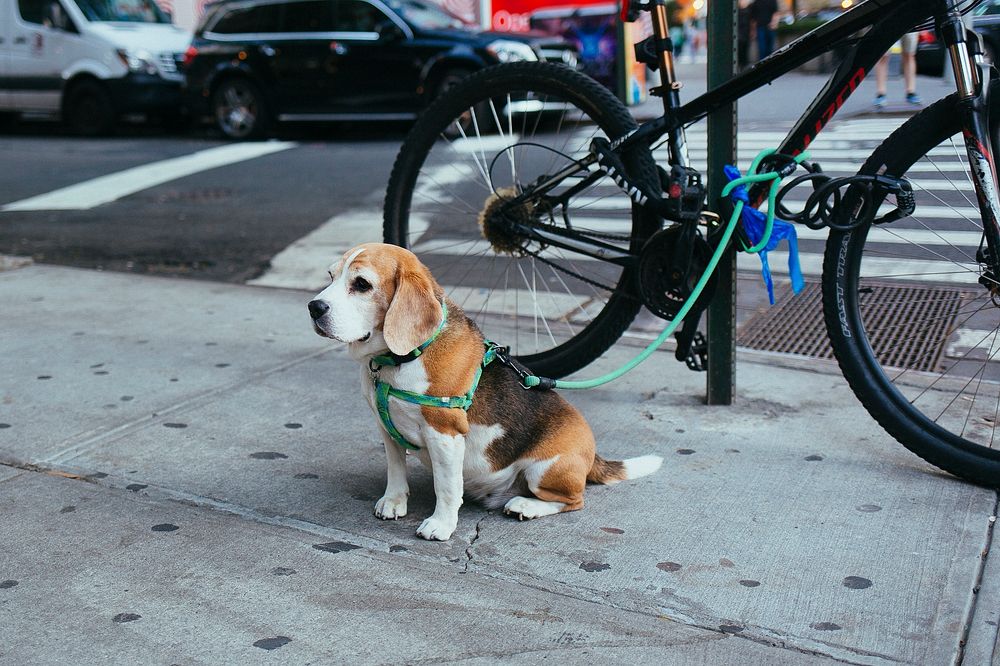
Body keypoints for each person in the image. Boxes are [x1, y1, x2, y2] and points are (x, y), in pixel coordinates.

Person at [874, 32, 921, 108]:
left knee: (909, 54)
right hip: (888, 22)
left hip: (910, 21)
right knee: (883, 55)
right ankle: (881, 93)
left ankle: (911, 92)